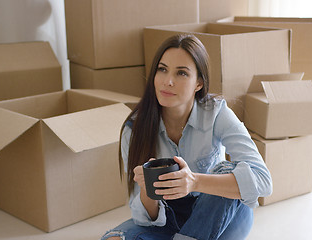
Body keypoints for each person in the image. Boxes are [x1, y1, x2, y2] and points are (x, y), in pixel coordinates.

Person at [102, 34, 272, 240]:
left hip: (219, 215)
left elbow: (263, 181)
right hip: (168, 219)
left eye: (181, 73)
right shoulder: (135, 128)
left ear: (198, 83)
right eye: (162, 69)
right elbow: (144, 218)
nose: (168, 81)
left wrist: (194, 182)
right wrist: (148, 190)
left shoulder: (217, 113)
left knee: (228, 170)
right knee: (114, 239)